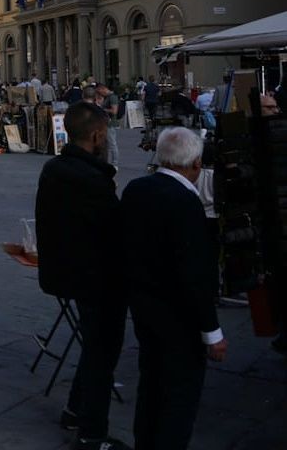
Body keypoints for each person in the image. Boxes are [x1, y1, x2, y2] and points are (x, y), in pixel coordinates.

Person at [121, 127, 227, 450]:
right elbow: (195, 274)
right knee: (179, 398)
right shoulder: (186, 203)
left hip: (144, 309)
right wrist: (212, 331)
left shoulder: (136, 189)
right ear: (195, 163)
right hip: (179, 320)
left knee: (151, 387)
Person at [36, 102, 128, 450]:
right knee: (103, 352)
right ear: (97, 134)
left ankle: (75, 409)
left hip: (65, 271)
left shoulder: (54, 167)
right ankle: (92, 434)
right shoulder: (92, 178)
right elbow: (111, 230)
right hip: (97, 277)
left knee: (94, 346)